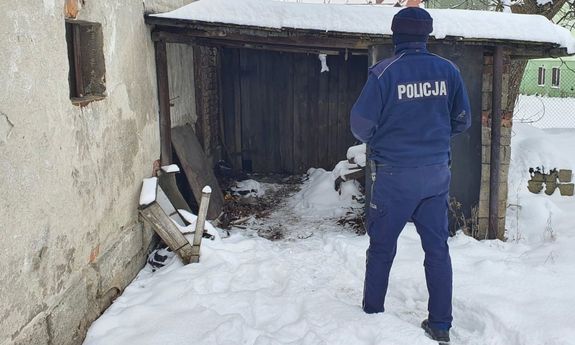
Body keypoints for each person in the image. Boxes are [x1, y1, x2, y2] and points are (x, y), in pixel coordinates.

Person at [349, 7, 471, 344]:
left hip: (394, 177)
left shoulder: (384, 73)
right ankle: (441, 325)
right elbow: (462, 121)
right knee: (437, 250)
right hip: (436, 175)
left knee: (382, 247)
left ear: (395, 35)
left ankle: (373, 314)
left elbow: (360, 127)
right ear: (427, 35)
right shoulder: (449, 71)